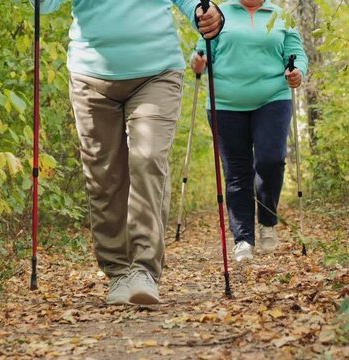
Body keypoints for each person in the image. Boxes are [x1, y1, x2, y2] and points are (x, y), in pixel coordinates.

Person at [29, 0, 224, 305]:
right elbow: (46, 5)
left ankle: (144, 269)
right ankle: (118, 271)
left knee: (148, 159)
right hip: (89, 76)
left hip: (156, 72)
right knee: (103, 173)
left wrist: (209, 14)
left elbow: (192, 4)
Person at [192, 0, 308, 262]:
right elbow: (201, 51)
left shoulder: (280, 15)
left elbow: (296, 54)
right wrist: (198, 62)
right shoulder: (219, 13)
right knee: (236, 171)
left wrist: (297, 70)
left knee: (271, 160)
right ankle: (243, 238)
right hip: (225, 103)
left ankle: (267, 221)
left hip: (273, 97)